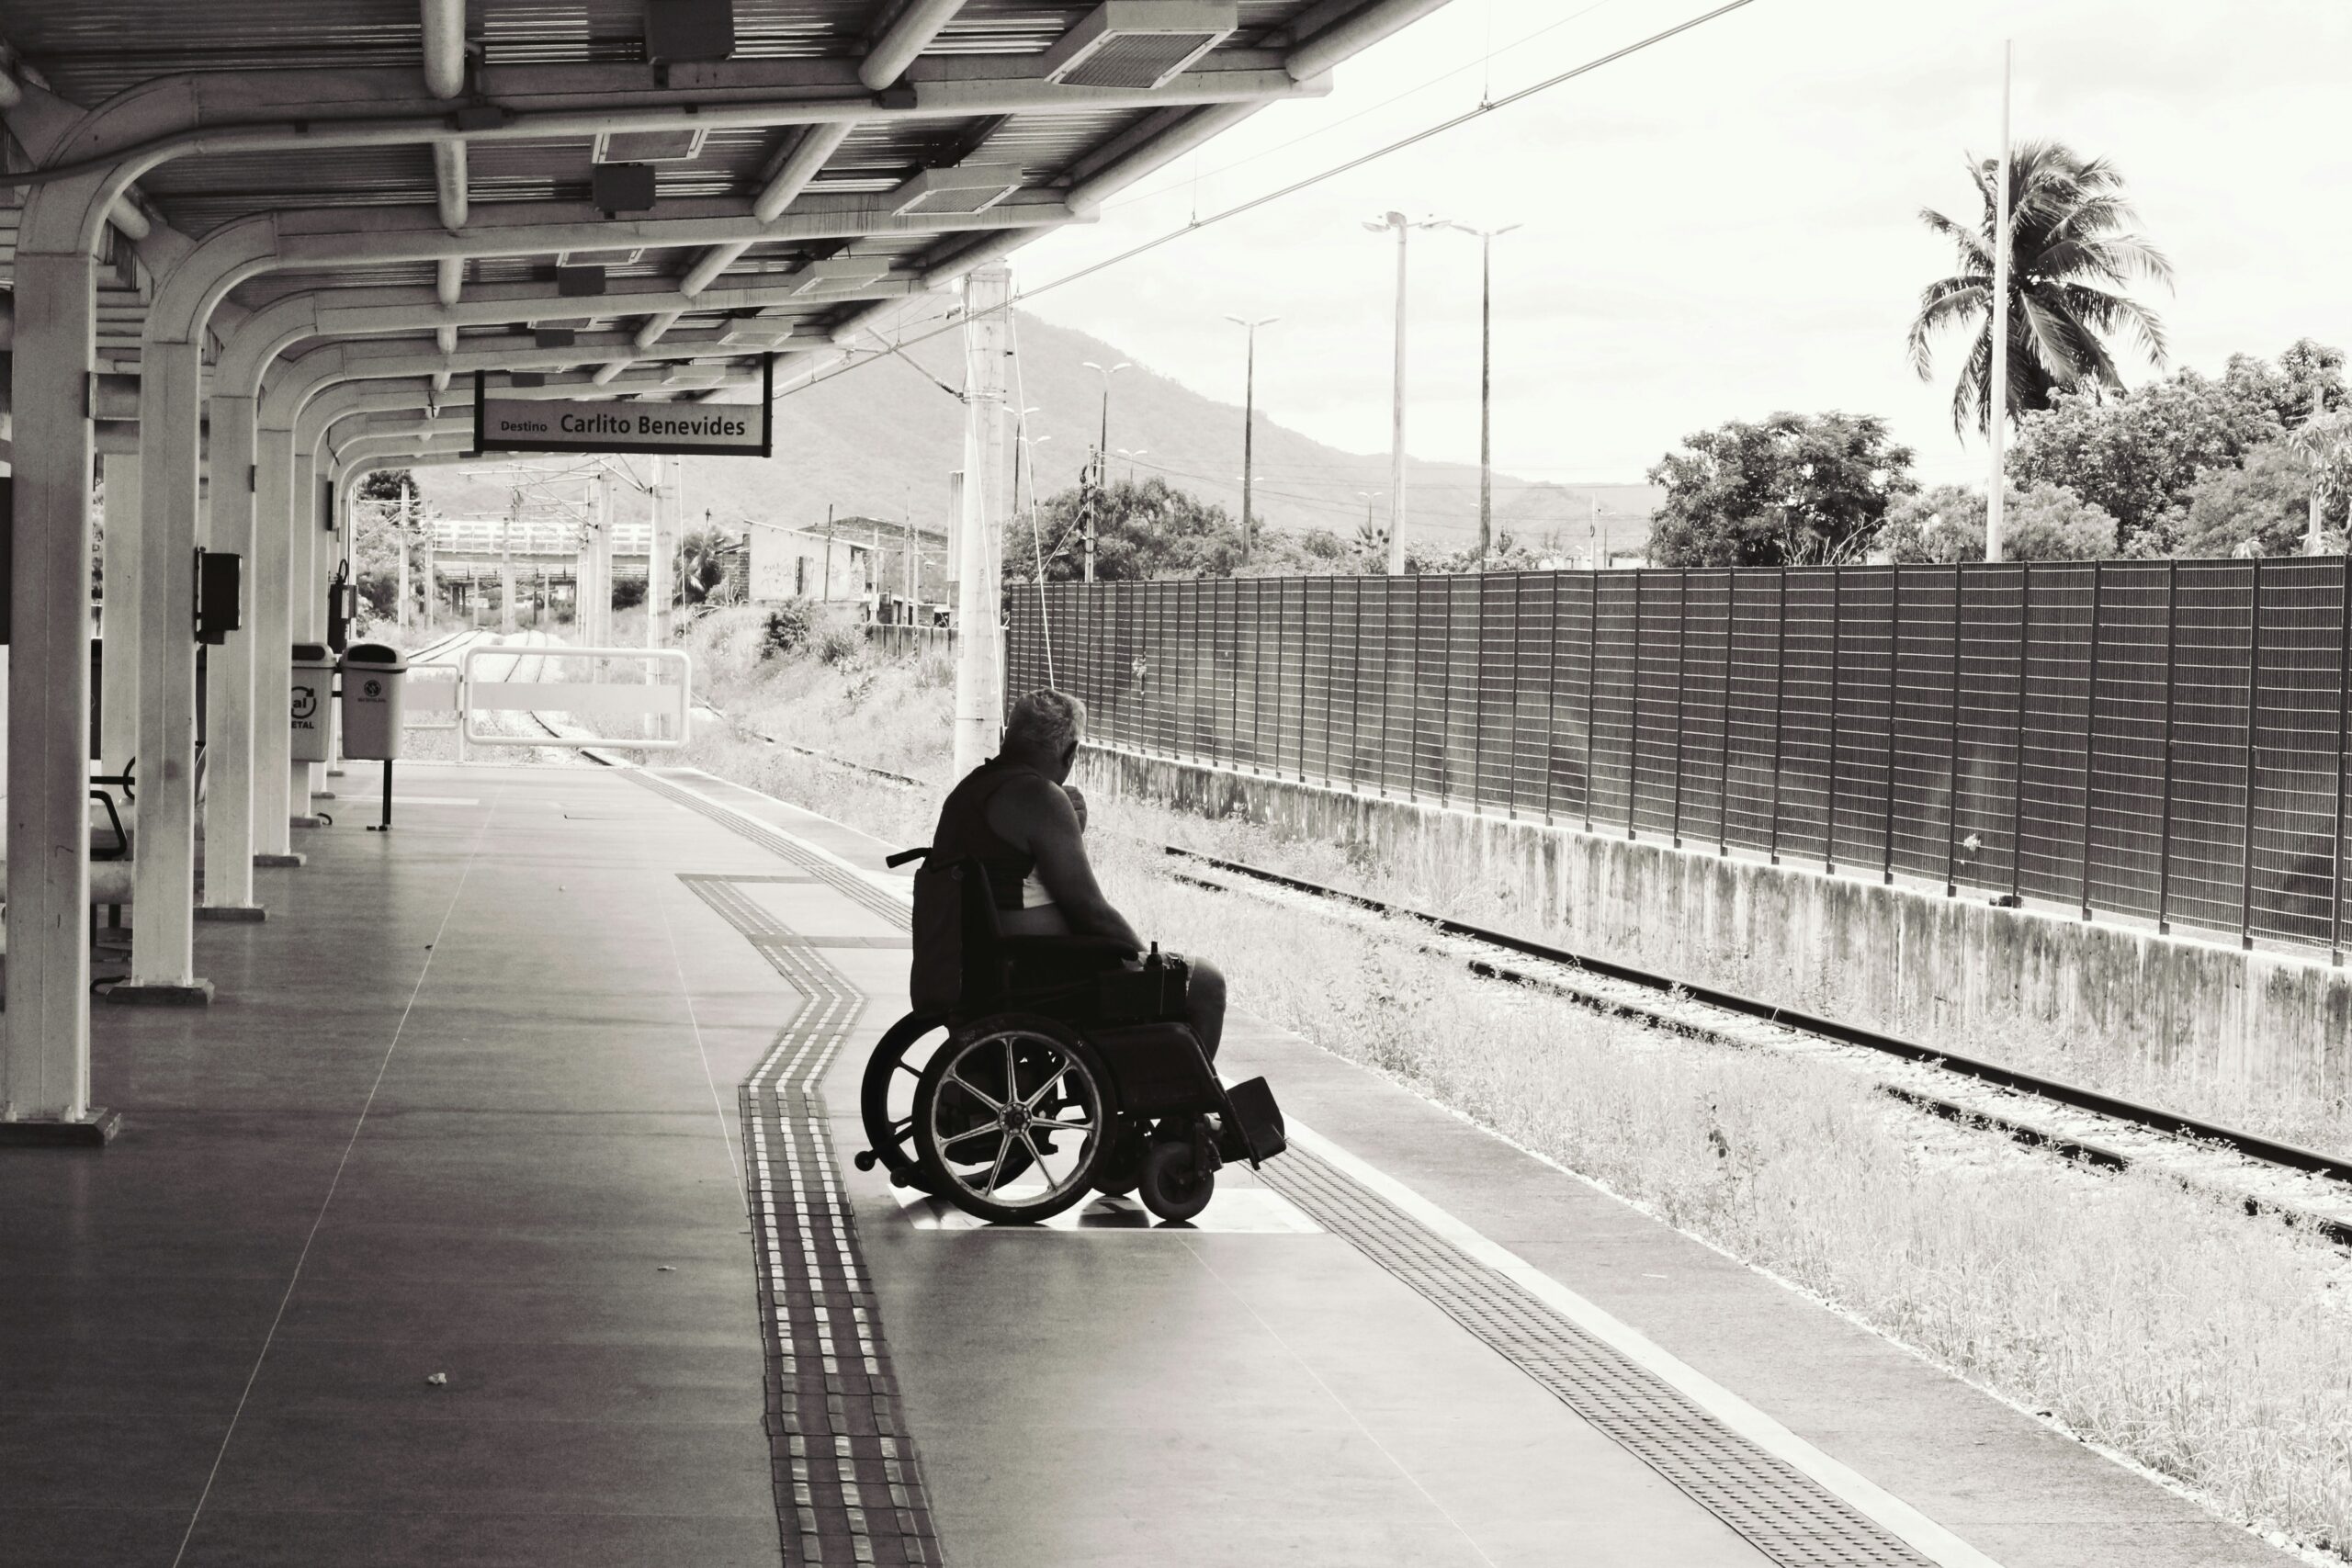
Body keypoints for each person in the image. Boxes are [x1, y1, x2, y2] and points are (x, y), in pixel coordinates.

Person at [929, 687, 1227, 1057]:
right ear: (1070, 753)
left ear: (1009, 736)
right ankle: (1184, 1111)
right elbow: (1090, 910)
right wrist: (1144, 960)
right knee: (1206, 983)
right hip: (1039, 975)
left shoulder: (969, 790)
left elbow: (1019, 876)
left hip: (972, 968)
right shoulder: (1041, 797)